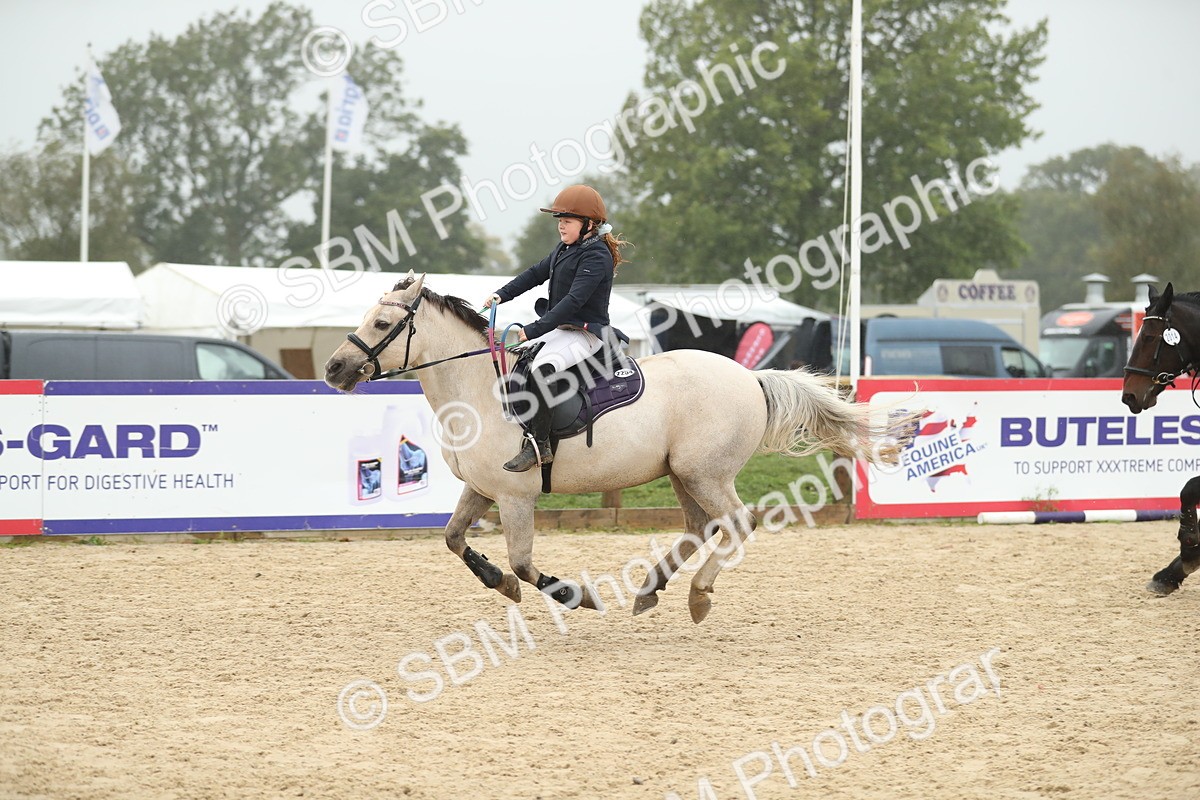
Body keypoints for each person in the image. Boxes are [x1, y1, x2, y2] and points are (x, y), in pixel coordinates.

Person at [483, 184, 629, 472]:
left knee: (542, 370)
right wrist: (501, 294)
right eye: (559, 220)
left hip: (585, 334)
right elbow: (535, 273)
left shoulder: (596, 256)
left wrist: (536, 328)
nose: (561, 225)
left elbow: (574, 301)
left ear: (588, 225)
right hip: (562, 329)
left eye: (567, 221)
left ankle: (540, 445)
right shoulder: (565, 248)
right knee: (518, 360)